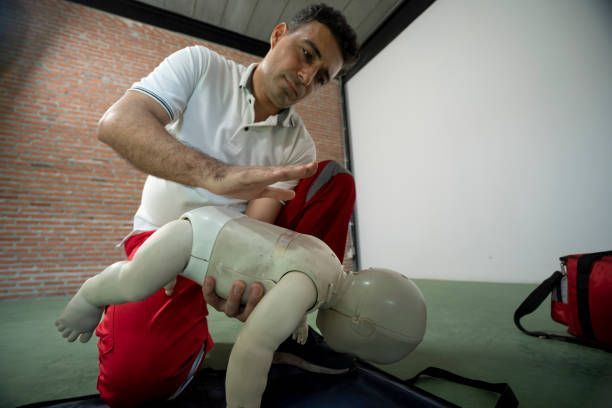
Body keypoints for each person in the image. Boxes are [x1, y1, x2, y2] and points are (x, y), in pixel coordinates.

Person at [84, 3, 360, 406]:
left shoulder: (297, 144)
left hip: (228, 252)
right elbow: (117, 123)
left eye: (320, 78)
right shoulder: (200, 65)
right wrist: (217, 176)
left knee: (331, 180)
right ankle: (135, 310)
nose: (305, 78)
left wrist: (258, 289)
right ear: (278, 34)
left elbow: (258, 228)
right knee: (132, 388)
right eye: (306, 53)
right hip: (163, 241)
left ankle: (286, 332)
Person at [56, 206, 427, 408]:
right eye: (354, 346)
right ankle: (90, 294)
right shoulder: (306, 285)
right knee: (134, 282)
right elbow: (252, 349)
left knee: (142, 285)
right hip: (189, 240)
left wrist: (295, 316)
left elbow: (287, 260)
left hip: (214, 222)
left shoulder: (328, 263)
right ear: (359, 324)